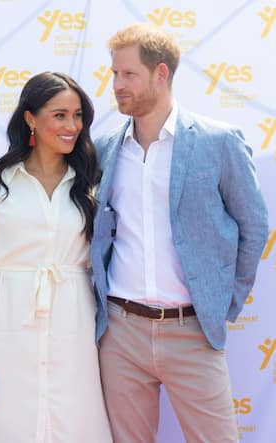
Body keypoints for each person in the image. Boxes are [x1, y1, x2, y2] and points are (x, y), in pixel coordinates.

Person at [91, 23, 269, 443]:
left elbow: (254, 225)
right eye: (114, 74)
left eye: (128, 74)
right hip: (121, 333)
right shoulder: (104, 149)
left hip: (192, 330)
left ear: (161, 73)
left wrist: (223, 300)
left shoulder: (218, 141)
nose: (117, 85)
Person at [0, 71, 112, 443]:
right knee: (4, 424)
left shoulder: (92, 183)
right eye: (59, 115)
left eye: (78, 115)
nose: (72, 125)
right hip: (4, 327)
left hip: (75, 327)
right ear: (30, 119)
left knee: (75, 424)